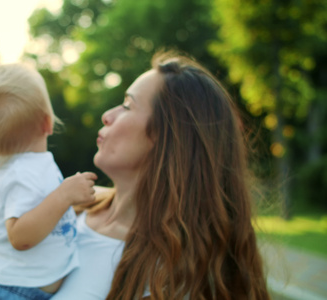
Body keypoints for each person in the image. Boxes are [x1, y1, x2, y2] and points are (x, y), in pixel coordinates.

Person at [52, 50, 271, 300]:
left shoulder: (170, 277)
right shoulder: (67, 205)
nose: (107, 115)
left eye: (127, 105)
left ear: (167, 139)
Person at [0, 63, 97, 300]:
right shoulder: (26, 170)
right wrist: (64, 195)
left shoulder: (1, 164)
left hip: (5, 285)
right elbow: (20, 237)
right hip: (13, 291)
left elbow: (36, 205)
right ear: (47, 123)